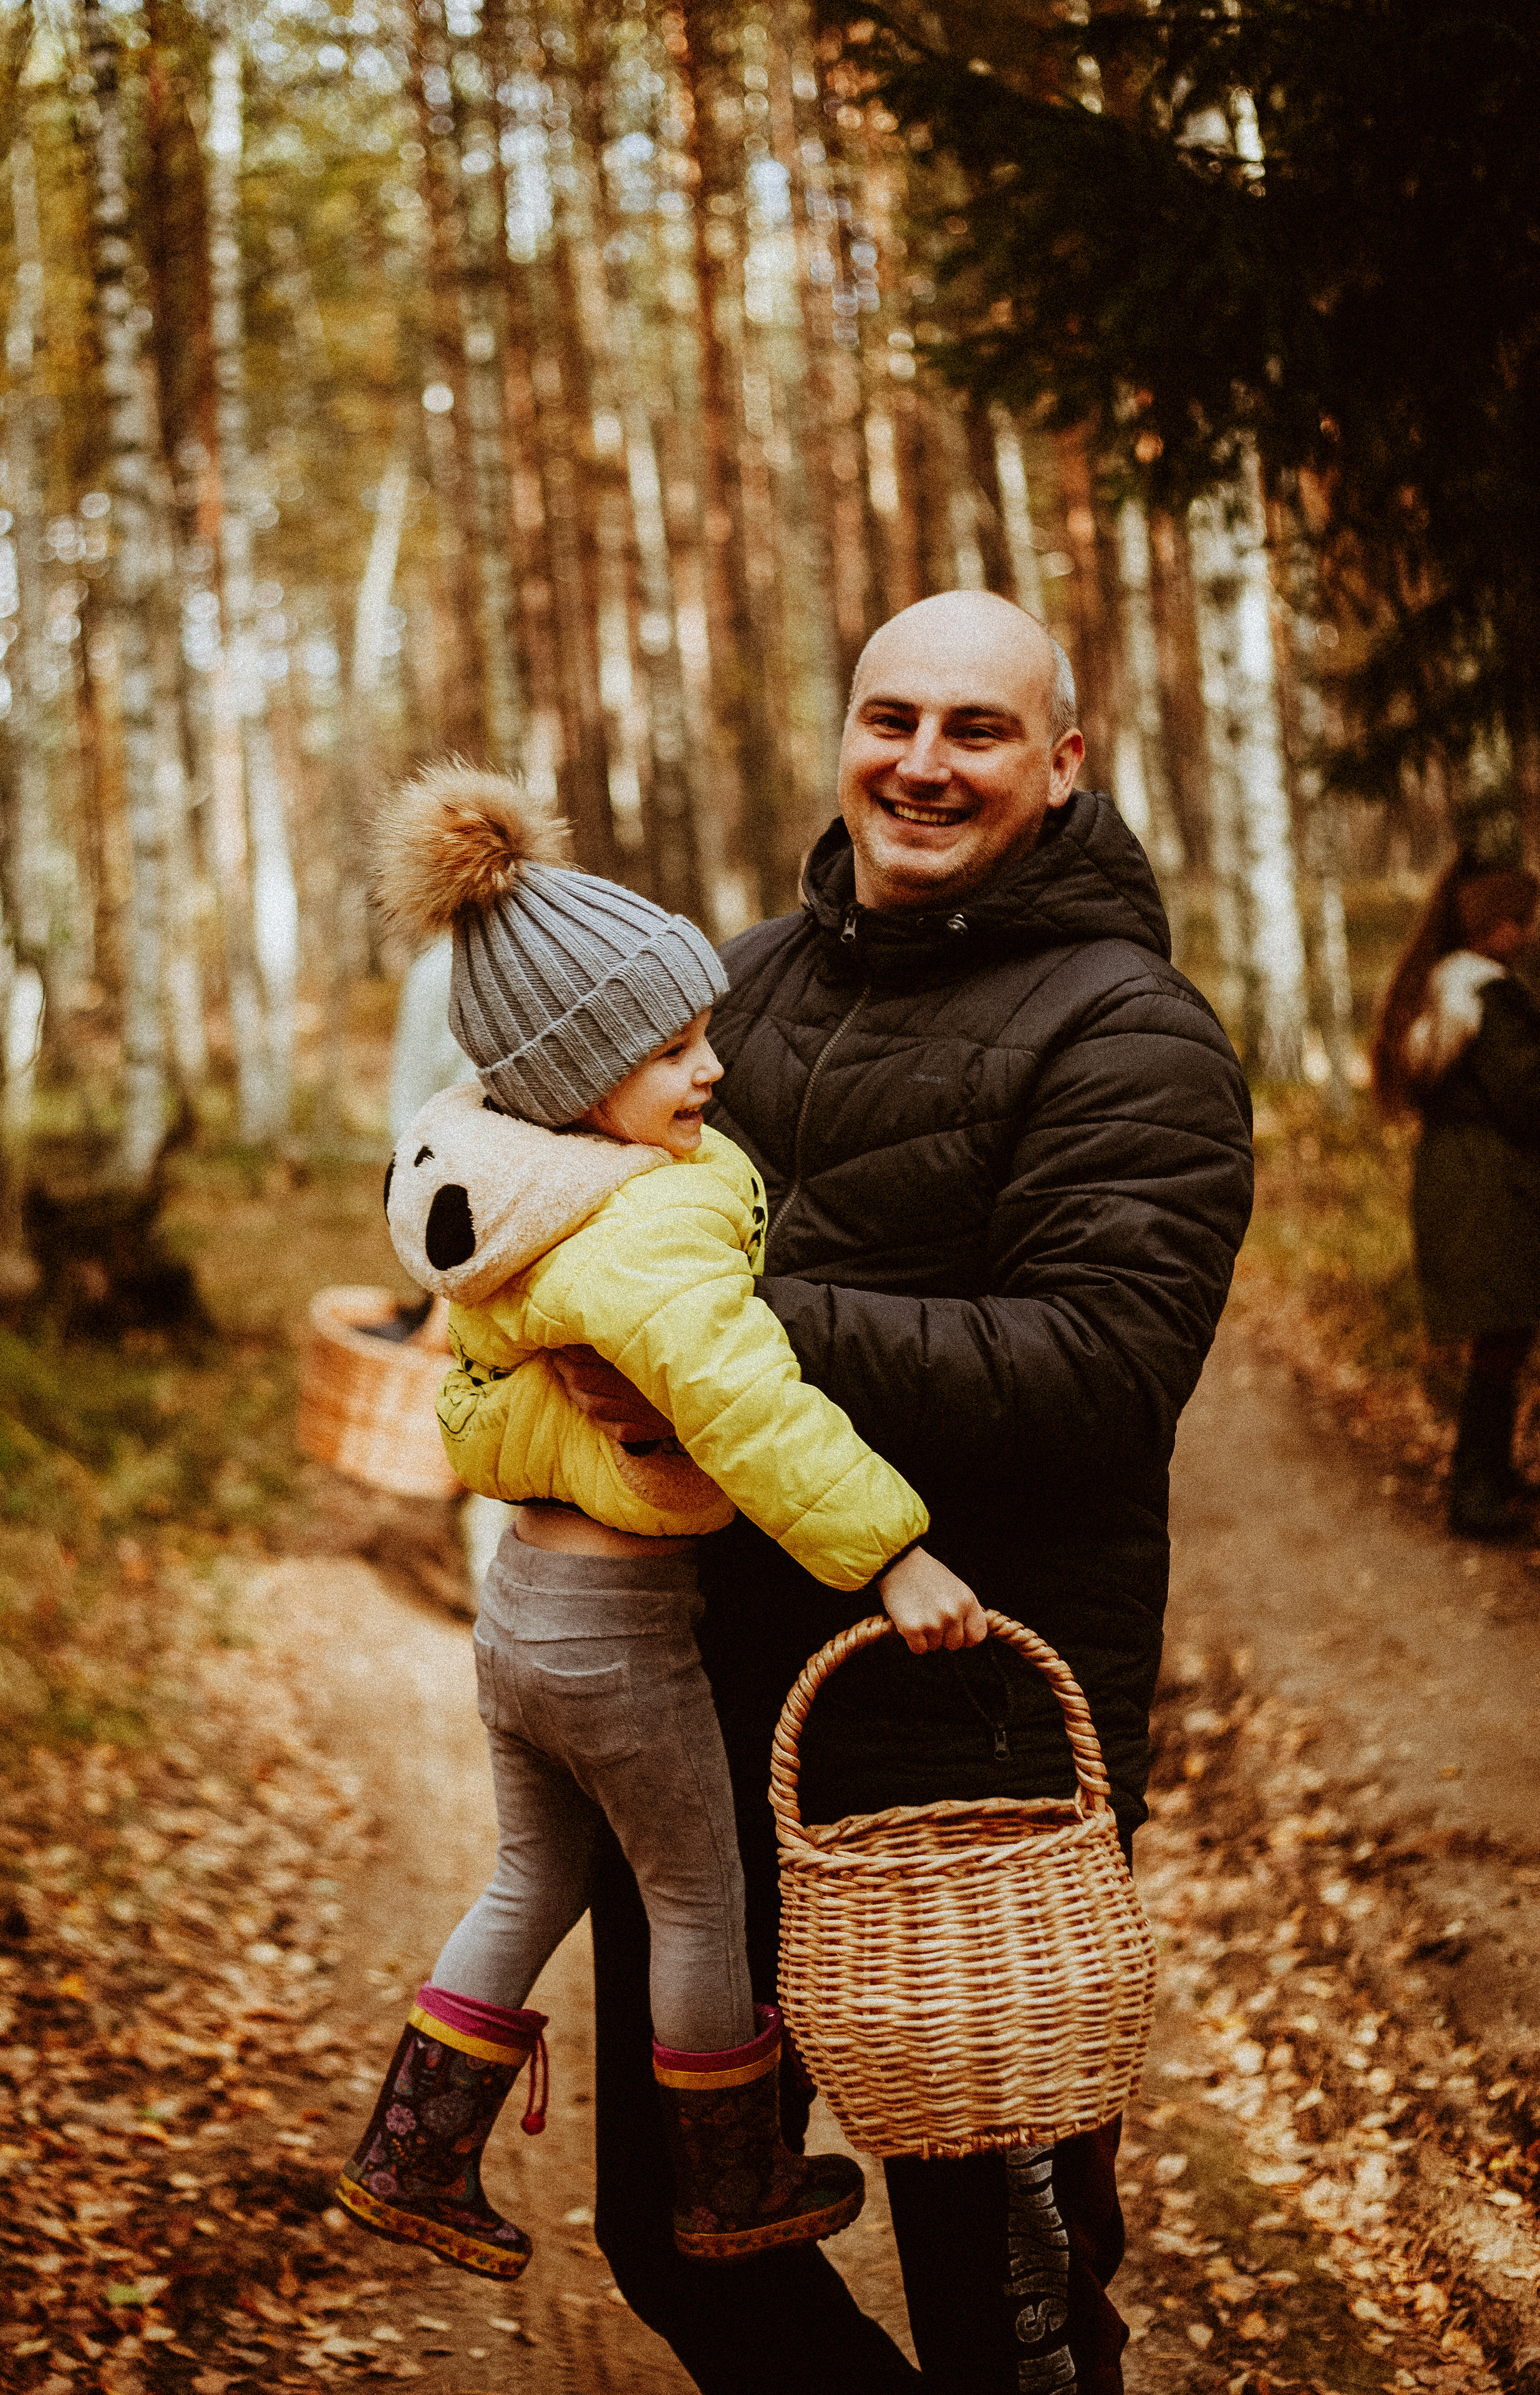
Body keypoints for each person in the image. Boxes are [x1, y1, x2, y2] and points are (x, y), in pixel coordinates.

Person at [556, 590, 1256, 2394]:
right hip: (710, 1732)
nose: (923, 765)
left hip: (969, 1762)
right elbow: (580, 1228)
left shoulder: (1133, 1035)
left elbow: (1103, 1373)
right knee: (683, 2237)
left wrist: (742, 1333)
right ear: (844, 732)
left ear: (1063, 764)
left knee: (1005, 2306)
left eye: (977, 729)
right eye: (892, 719)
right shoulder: (732, 992)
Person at [335, 764, 988, 2282]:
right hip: (622, 1634)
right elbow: (744, 1397)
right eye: (667, 1050)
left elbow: (477, 1405)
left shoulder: (504, 1186)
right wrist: (888, 1551)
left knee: (530, 1878)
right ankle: (731, 2176)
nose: (706, 1072)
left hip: (520, 1618)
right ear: (572, 1077)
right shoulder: (646, 1218)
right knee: (697, 1890)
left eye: (702, 1035)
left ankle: (409, 2152)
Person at [1372, 853, 1540, 1540]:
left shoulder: (1442, 989)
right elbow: (1526, 1099)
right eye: (1523, 920)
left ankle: (1488, 1475)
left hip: (1460, 1184)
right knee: (1500, 1339)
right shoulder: (1490, 998)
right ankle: (1474, 1494)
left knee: (1499, 1338)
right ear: (1497, 928)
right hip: (1490, 1191)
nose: (1530, 934)